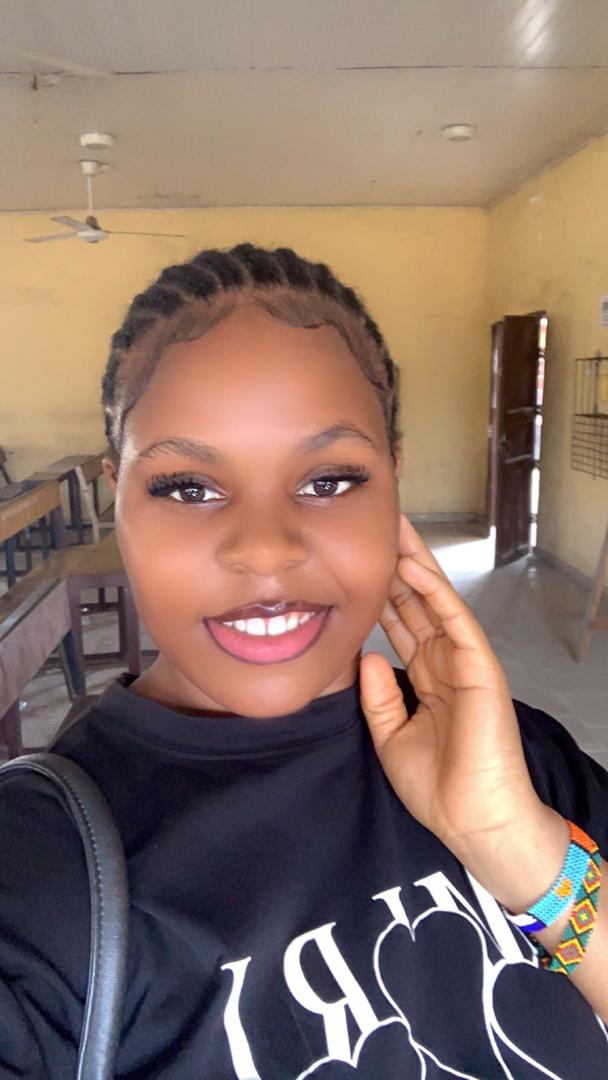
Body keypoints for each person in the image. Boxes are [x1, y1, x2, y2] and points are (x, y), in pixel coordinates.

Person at [1, 242, 607, 1079]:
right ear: (118, 498)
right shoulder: (38, 869)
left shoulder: (517, 757)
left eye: (329, 480)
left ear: (394, 480)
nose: (265, 550)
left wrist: (519, 846)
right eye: (188, 487)